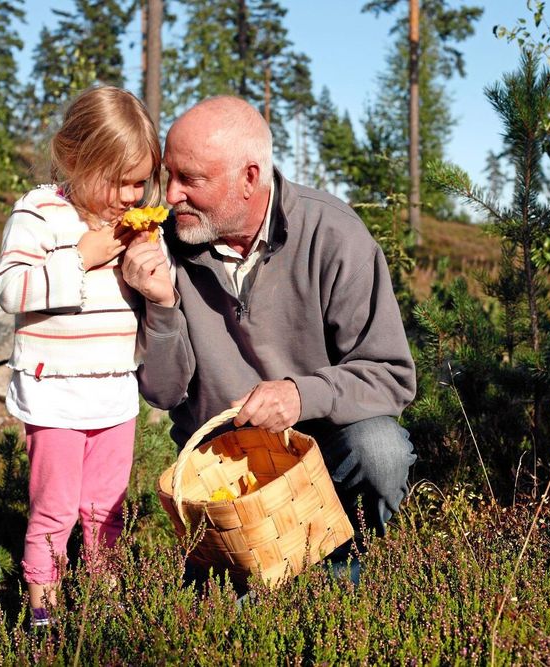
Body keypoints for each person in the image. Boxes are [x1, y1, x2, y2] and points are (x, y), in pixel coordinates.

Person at [122, 95, 417, 581]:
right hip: (224, 469)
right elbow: (162, 391)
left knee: (381, 450)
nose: (170, 195)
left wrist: (302, 395)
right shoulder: (162, 247)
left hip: (325, 450)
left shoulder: (335, 234)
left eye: (190, 179)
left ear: (249, 178)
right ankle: (274, 582)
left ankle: (349, 565)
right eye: (167, 175)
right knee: (219, 628)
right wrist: (161, 304)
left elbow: (391, 376)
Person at [0, 85, 164, 627]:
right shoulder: (40, 212)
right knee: (56, 508)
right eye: (119, 180)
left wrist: (152, 269)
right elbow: (11, 289)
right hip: (56, 394)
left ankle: (103, 601)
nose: (131, 195)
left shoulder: (134, 226)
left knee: (105, 510)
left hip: (115, 392)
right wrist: (80, 257)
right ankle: (42, 605)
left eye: (139, 182)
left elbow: (145, 297)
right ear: (75, 158)